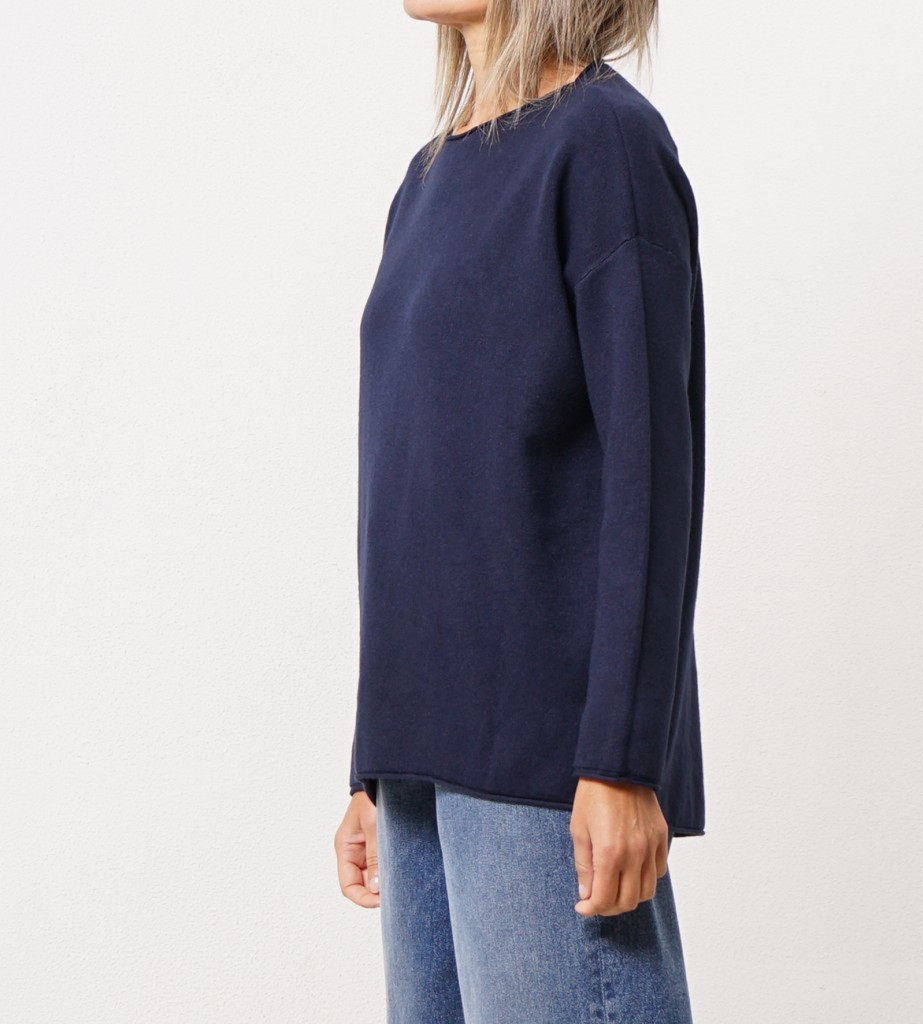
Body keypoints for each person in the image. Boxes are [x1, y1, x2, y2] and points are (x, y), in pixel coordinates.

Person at [335, 2, 706, 1020]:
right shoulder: (427, 179)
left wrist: (623, 757)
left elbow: (650, 466)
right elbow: (414, 479)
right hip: (422, 756)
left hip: (547, 753)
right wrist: (373, 763)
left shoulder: (603, 141)